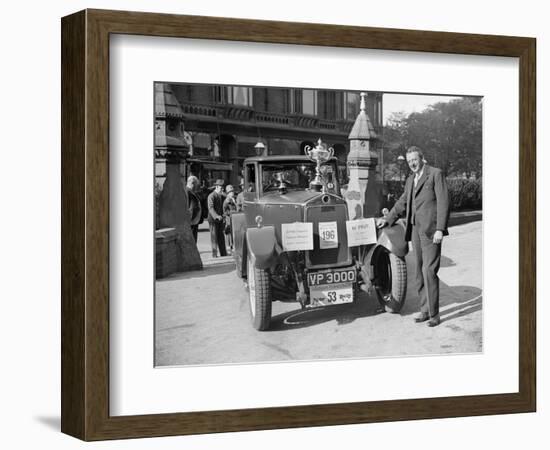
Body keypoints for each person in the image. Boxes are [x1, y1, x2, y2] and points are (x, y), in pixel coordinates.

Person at [376, 146, 450, 327]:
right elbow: (403, 201)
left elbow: (443, 202)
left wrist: (440, 229)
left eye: (414, 160)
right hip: (415, 230)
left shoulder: (435, 174)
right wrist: (388, 219)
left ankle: (434, 314)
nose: (412, 164)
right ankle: (424, 310)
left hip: (432, 231)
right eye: (409, 162)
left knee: (429, 271)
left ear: (422, 158)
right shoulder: (410, 179)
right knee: (418, 271)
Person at [207, 179, 227, 257]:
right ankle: (214, 254)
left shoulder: (222, 196)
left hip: (220, 219)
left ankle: (223, 253)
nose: (222, 189)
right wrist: (216, 216)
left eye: (223, 188)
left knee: (221, 237)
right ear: (216, 187)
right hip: (213, 219)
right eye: (221, 188)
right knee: (214, 236)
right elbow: (211, 208)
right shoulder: (211, 196)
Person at [185, 175, 203, 243]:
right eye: (196, 184)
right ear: (192, 183)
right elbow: (187, 207)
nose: (196, 186)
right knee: (191, 242)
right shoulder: (187, 191)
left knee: (193, 241)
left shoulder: (191, 192)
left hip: (194, 221)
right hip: (190, 222)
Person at [223, 185, 237, 252]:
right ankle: (229, 247)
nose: (232, 193)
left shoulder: (233, 199)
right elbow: (225, 211)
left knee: (233, 232)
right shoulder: (226, 201)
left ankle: (233, 246)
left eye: (233, 192)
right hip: (229, 220)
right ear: (228, 193)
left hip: (234, 219)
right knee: (229, 233)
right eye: (231, 192)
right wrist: (232, 212)